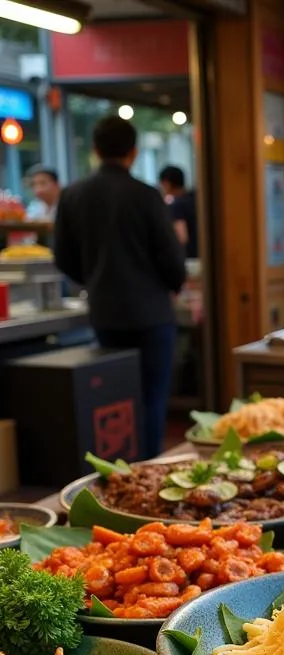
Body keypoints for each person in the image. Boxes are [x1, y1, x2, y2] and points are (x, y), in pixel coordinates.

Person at [55, 116, 186, 459]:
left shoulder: (72, 196)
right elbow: (172, 260)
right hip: (152, 314)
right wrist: (172, 285)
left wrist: (94, 280)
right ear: (133, 152)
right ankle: (151, 473)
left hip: (105, 313)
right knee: (152, 399)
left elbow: (63, 258)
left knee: (111, 404)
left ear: (96, 150)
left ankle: (116, 479)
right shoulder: (147, 196)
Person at [158, 165, 198, 260]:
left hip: (190, 257)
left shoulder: (177, 205)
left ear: (166, 183)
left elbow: (182, 237)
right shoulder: (196, 197)